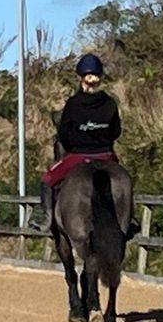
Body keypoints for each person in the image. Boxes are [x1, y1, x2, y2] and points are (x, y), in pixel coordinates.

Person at [30, 53, 121, 231]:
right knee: (123, 179)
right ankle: (131, 219)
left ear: (81, 78)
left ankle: (46, 219)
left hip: (78, 156)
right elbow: (116, 131)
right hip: (106, 155)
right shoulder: (110, 103)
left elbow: (64, 134)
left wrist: (76, 145)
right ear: (99, 78)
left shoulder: (72, 104)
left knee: (47, 180)